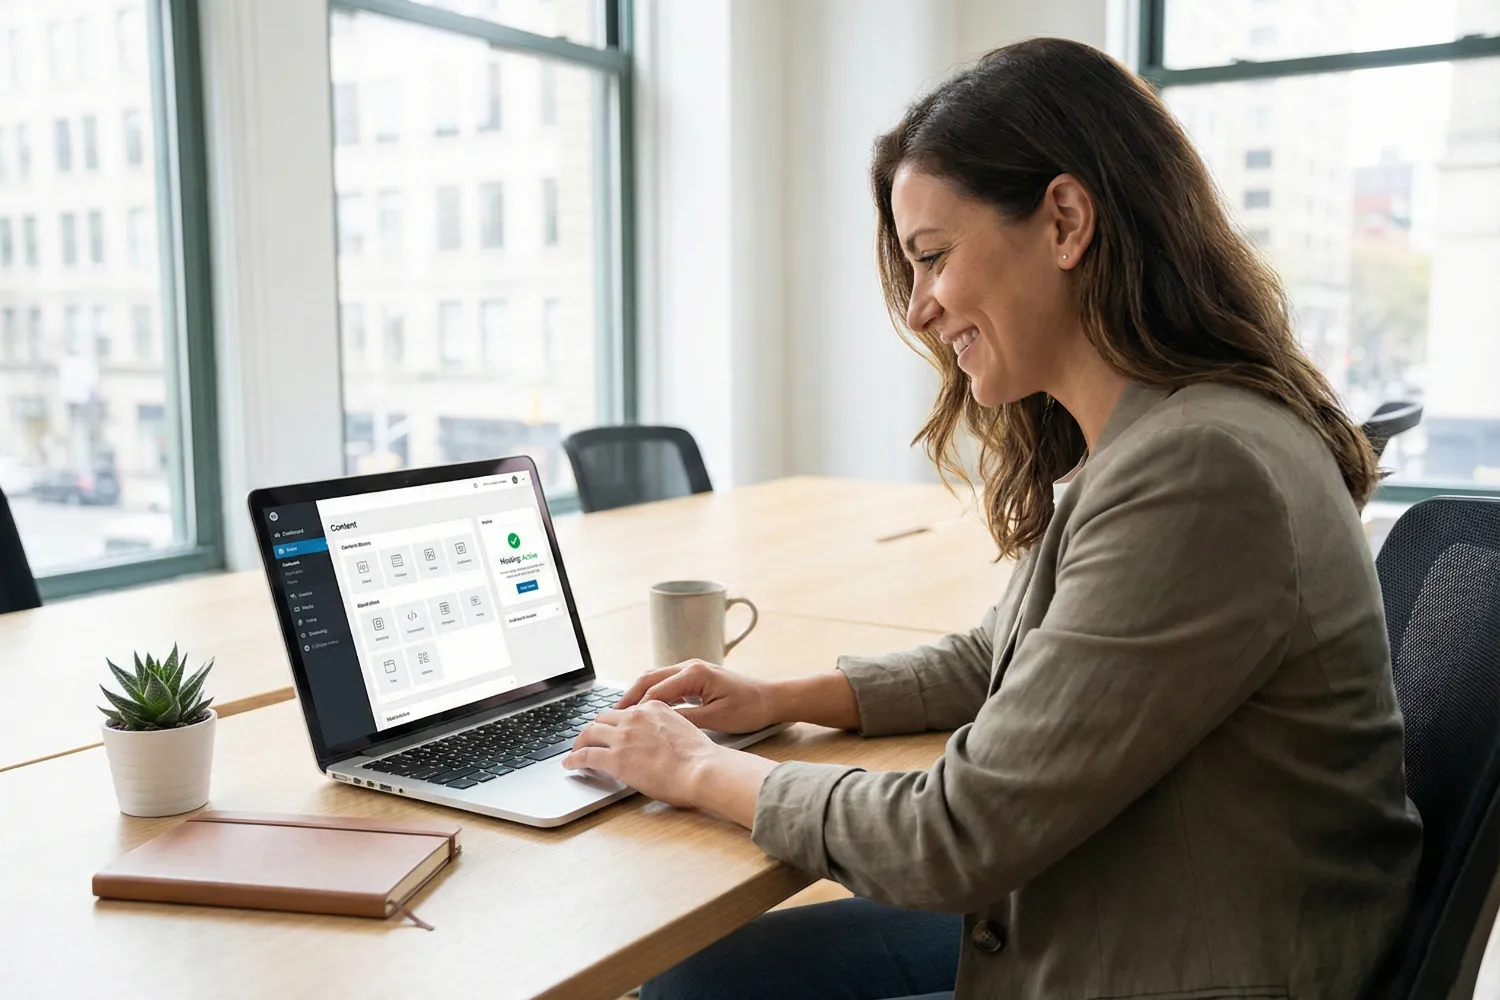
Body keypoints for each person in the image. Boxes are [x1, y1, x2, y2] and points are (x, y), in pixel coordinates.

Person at [563, 37, 1422, 1000]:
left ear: (1064, 221)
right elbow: (998, 660)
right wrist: (780, 697)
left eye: (932, 258)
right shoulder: (1165, 433)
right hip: (1128, 902)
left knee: (684, 990)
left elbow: (952, 839)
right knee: (697, 981)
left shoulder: (1200, 471)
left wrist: (699, 770)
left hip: (1182, 962)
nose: (922, 311)